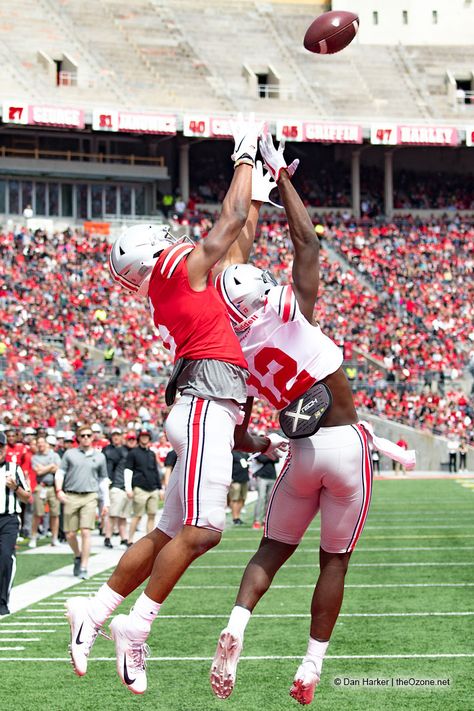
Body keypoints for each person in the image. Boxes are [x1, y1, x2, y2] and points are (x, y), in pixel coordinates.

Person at [64, 115, 283, 696]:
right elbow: (228, 223)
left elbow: (239, 240)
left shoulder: (177, 283)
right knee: (205, 530)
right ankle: (136, 627)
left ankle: (96, 610)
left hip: (213, 402)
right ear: (150, 254)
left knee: (169, 535)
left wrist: (258, 185)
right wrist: (240, 154)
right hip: (205, 401)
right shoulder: (171, 274)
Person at [209, 134, 415, 705]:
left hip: (297, 453)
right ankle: (311, 666)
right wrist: (282, 174)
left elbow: (245, 431)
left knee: (269, 552)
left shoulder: (235, 349)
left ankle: (237, 626)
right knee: (334, 562)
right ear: (265, 294)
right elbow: (306, 241)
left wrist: (263, 444)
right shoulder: (285, 308)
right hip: (345, 443)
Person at [55, 424, 109, 579]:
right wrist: (59, 490)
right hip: (71, 495)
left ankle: (84, 566)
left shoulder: (100, 456)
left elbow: (103, 480)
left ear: (93, 437)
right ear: (78, 438)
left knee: (86, 531)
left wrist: (106, 502)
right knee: (70, 533)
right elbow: (60, 473)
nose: (86, 438)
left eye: (88, 435)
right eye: (82, 435)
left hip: (90, 495)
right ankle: (78, 556)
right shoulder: (69, 454)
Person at [0, 431, 30, 615]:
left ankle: (3, 600)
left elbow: (27, 497)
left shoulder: (13, 468)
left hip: (8, 519)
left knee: (5, 558)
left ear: (4, 449)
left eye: (0, 447)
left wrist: (15, 487)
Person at [125, 429, 162, 543]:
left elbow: (156, 471)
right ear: (139, 438)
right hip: (140, 488)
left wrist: (160, 488)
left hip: (153, 488)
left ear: (149, 438)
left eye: (146, 436)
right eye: (142, 436)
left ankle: (149, 540)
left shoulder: (151, 453)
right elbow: (128, 470)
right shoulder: (133, 453)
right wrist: (128, 488)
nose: (144, 438)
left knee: (152, 515)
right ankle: (130, 539)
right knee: (137, 515)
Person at [29, 435, 61, 548]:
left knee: (55, 514)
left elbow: (58, 468)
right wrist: (51, 466)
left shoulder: (55, 455)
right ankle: (33, 537)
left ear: (47, 444)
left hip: (52, 486)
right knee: (37, 513)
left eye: (42, 443)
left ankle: (54, 538)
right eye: (39, 443)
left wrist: (45, 468)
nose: (40, 445)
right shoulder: (35, 457)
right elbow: (38, 472)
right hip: (41, 486)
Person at [102, 428, 128, 549]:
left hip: (125, 486)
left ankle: (124, 538)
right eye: (114, 435)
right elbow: (107, 468)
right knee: (113, 514)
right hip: (115, 484)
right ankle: (108, 537)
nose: (116, 437)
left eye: (118, 435)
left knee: (123, 515)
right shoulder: (108, 450)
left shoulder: (126, 450)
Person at [251, 448, 279, 530]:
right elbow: (261, 459)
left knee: (269, 500)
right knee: (261, 498)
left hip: (272, 477)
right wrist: (270, 456)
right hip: (261, 477)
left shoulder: (271, 449)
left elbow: (277, 459)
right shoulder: (257, 449)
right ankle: (256, 521)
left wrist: (268, 455)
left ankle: (265, 520)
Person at [229, 451, 250, 525]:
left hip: (244, 479)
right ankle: (235, 518)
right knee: (235, 499)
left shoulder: (245, 453)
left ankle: (238, 516)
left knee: (242, 499)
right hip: (235, 480)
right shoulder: (232, 453)